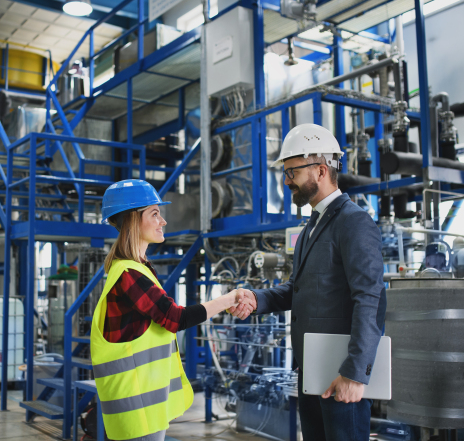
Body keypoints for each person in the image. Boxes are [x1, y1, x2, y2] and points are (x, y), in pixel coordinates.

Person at [229, 123, 387, 441]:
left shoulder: (353, 222)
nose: (287, 182)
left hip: (341, 373)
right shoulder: (310, 228)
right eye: (286, 173)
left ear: (320, 170)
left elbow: (370, 298)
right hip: (312, 371)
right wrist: (256, 299)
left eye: (293, 173)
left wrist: (355, 373)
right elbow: (298, 289)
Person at [90, 179, 249, 441]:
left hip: (143, 405)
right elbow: (175, 318)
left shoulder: (135, 269)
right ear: (133, 220)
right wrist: (228, 299)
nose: (163, 221)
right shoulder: (128, 274)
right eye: (155, 214)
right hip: (137, 410)